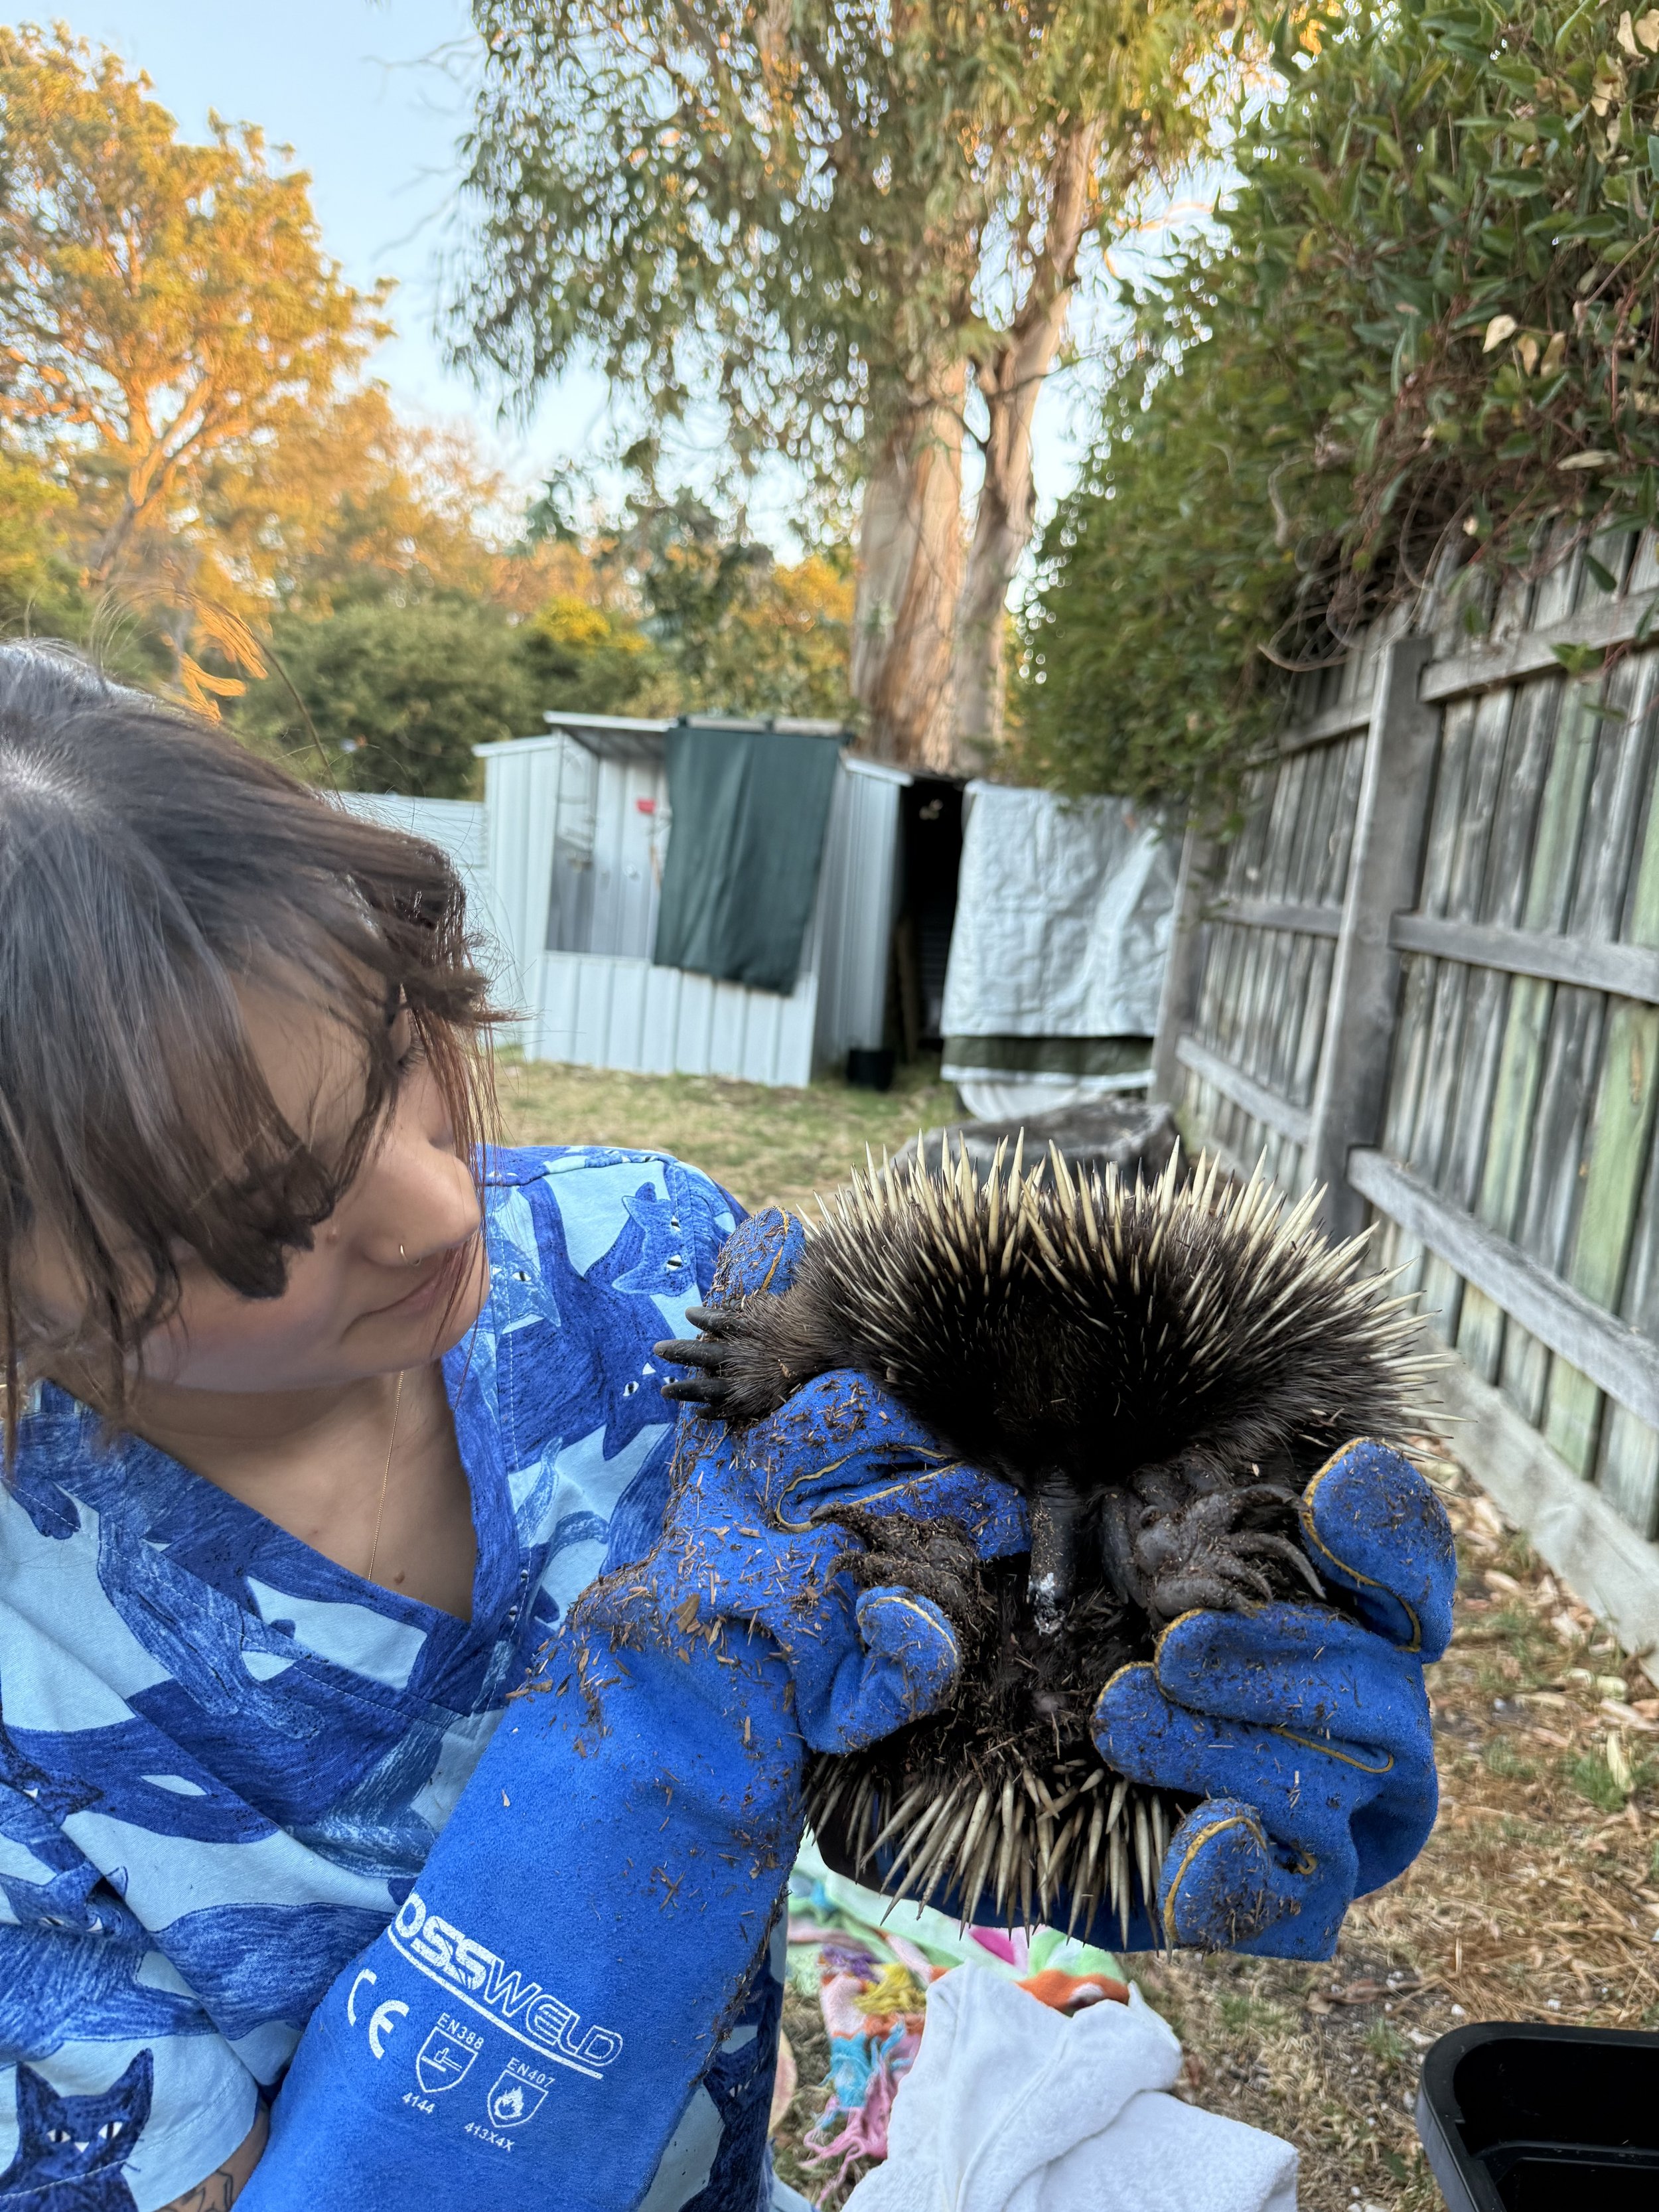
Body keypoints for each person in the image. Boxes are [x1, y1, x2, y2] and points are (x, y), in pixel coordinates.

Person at [0, 644, 1454, 2212]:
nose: (438, 1205)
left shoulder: (650, 1274)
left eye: (399, 1054)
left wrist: (1166, 1715)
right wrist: (654, 1762)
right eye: (257, 1217)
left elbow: (940, 1714)